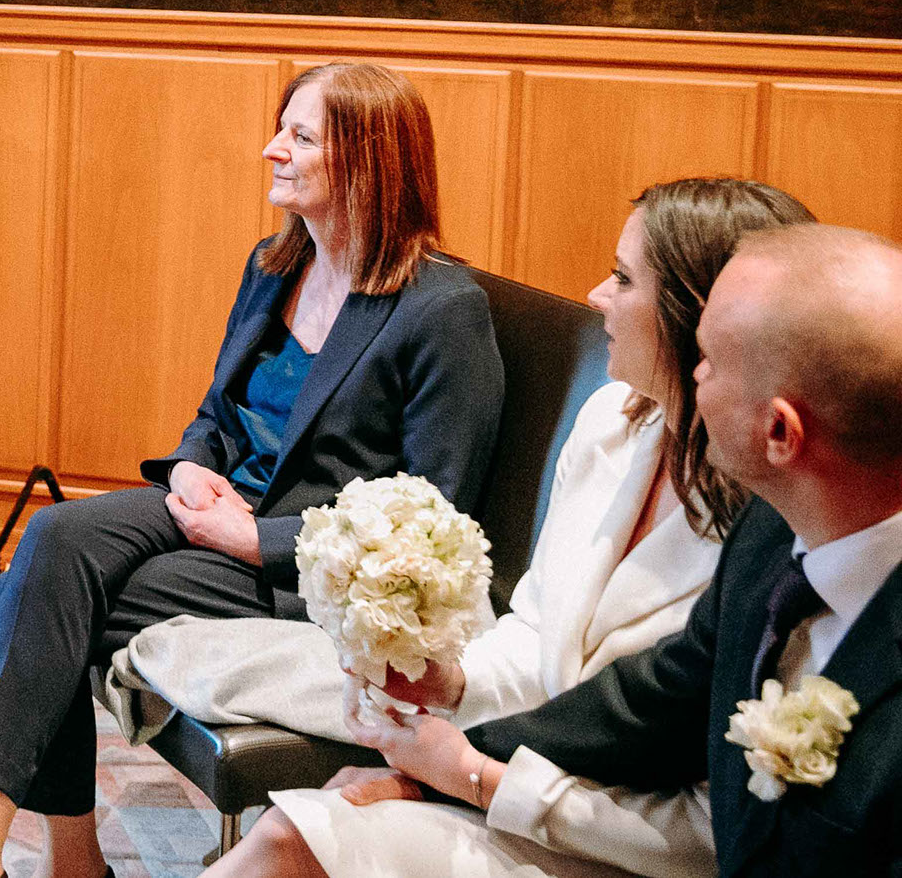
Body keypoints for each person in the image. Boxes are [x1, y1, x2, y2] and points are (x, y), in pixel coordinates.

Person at [0, 63, 505, 878]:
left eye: (300, 137)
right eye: (282, 129)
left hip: (302, 566)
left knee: (24, 593)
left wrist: (251, 539)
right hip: (214, 509)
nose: (272, 150)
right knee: (54, 536)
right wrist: (192, 471)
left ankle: (56, 860)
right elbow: (214, 414)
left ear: (368, 160)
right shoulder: (274, 265)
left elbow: (435, 513)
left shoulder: (441, 310)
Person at [199, 177, 814, 878]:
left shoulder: (782, 533)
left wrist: (471, 778)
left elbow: (707, 821)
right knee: (293, 831)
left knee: (297, 843)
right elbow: (536, 631)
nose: (596, 297)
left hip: (627, 845)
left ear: (697, 315)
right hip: (523, 781)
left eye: (622, 278)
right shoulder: (612, 424)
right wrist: (452, 685)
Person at [348, 225, 902, 878]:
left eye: (709, 362)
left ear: (780, 431)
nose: (692, 380)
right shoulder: (770, 539)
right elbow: (647, 707)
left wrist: (475, 779)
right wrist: (448, 763)